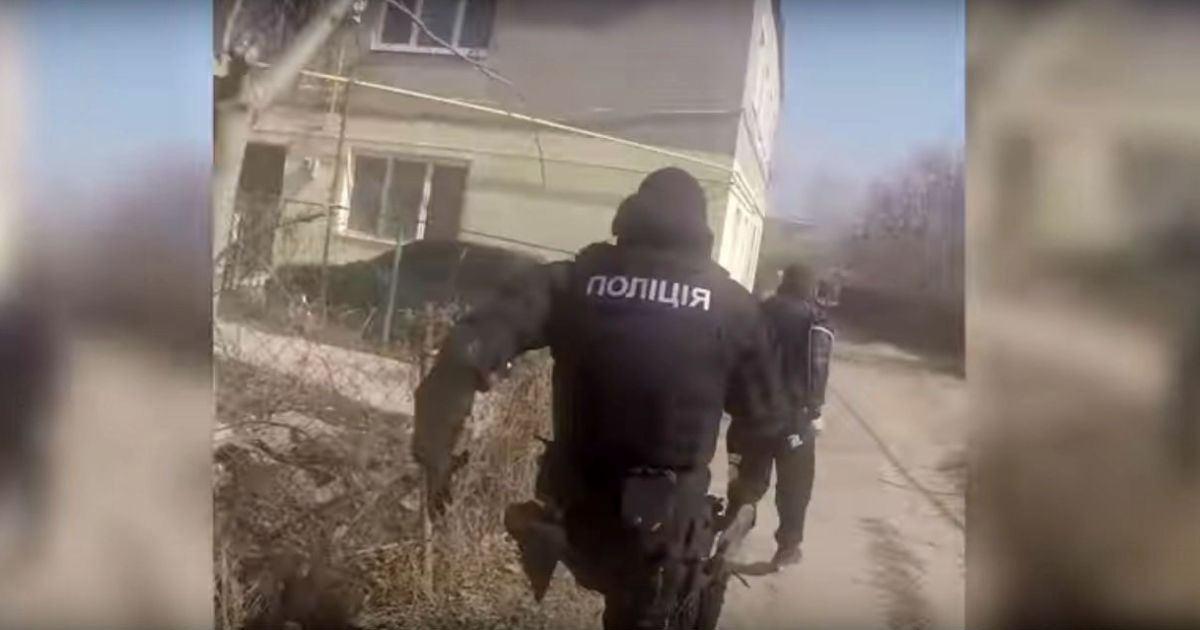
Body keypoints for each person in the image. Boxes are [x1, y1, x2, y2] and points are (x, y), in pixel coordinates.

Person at [411, 167, 785, 629]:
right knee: (663, 599)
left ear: (631, 215)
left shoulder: (572, 281)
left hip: (575, 513)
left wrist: (435, 450)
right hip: (664, 531)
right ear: (700, 229)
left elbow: (467, 348)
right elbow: (765, 421)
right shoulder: (734, 307)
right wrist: (746, 496)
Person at [725, 263, 833, 569]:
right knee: (794, 486)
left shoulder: (757, 311)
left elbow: (734, 357)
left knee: (748, 479)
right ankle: (788, 546)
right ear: (811, 287)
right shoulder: (815, 319)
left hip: (751, 415)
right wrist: (815, 408)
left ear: (784, 282)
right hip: (793, 418)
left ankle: (741, 517)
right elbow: (818, 365)